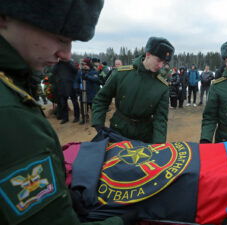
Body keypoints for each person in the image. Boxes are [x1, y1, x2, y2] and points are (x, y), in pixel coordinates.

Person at [0, 1, 137, 224]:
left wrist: (58, 195)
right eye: (61, 37)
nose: (66, 54)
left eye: (71, 41)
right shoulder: (10, 114)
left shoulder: (12, 89)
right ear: (5, 17)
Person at [92, 37, 174, 144]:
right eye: (158, 60)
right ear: (148, 54)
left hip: (144, 136)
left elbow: (160, 120)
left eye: (164, 62)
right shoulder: (121, 74)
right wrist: (99, 124)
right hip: (118, 131)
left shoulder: (162, 86)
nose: (160, 66)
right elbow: (102, 98)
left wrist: (158, 145)